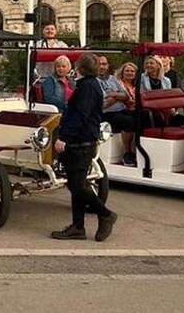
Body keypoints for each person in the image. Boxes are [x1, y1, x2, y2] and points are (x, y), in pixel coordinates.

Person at [51, 53, 118, 242]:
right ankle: (77, 226)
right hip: (84, 140)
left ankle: (105, 214)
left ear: (79, 68)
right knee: (76, 184)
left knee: (76, 185)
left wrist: (64, 138)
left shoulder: (86, 88)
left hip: (81, 141)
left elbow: (80, 115)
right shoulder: (89, 85)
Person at [97, 56, 136, 166]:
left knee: (143, 116)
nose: (102, 67)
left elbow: (126, 96)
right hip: (106, 113)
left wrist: (113, 95)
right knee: (128, 122)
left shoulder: (113, 79)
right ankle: (127, 153)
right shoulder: (94, 81)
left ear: (108, 66)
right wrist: (118, 96)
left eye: (104, 64)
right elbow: (102, 104)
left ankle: (139, 152)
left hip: (122, 109)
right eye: (99, 64)